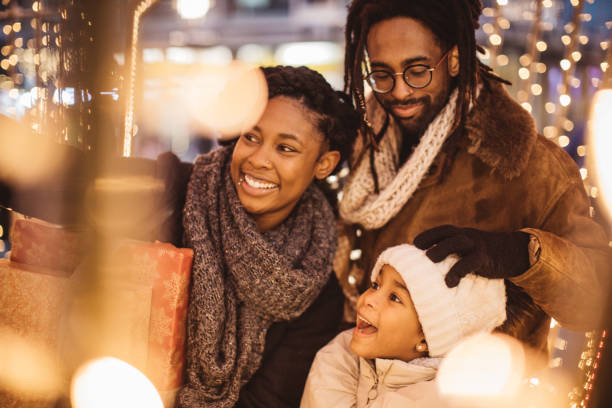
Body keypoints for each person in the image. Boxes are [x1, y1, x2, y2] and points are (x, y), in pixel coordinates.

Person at [0, 65, 360, 408]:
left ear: (324, 163)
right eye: (251, 137)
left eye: (286, 148)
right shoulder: (172, 190)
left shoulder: (315, 291)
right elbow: (64, 179)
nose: (259, 159)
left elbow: (266, 402)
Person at [335, 0, 612, 355]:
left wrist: (521, 254)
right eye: (383, 74)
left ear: (453, 59)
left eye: (417, 70)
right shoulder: (361, 144)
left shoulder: (529, 163)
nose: (400, 91)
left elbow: (596, 301)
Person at [301, 244, 507, 407]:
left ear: (427, 337)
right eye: (376, 285)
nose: (368, 299)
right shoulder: (340, 353)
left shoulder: (440, 398)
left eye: (394, 298)